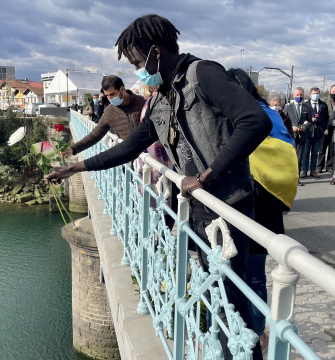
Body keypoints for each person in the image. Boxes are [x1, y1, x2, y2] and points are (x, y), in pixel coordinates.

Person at [47, 14, 272, 359]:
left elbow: (256, 121)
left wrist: (206, 175)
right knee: (217, 296)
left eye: (137, 61)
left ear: (155, 52)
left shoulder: (203, 74)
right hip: (197, 209)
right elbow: (130, 146)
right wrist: (76, 166)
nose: (137, 69)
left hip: (228, 204)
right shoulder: (163, 97)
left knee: (232, 302)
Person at [227, 68, 298, 353]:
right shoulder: (272, 114)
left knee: (240, 273)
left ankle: (249, 334)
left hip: (248, 199)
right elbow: (287, 152)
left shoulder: (241, 115)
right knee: (254, 273)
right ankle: (257, 335)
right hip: (268, 203)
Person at [62, 75, 146, 157]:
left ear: (122, 89)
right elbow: (96, 134)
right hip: (128, 157)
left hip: (149, 155)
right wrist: (74, 148)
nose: (110, 98)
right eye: (107, 95)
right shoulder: (110, 111)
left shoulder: (143, 102)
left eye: (112, 94)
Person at [283, 87, 314, 186]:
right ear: (293, 95)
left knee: (299, 158)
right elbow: (283, 121)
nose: (299, 97)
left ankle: (296, 178)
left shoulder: (307, 108)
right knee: (288, 158)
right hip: (290, 136)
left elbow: (310, 122)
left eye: (301, 95)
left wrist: (304, 127)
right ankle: (287, 178)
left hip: (302, 136)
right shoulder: (288, 107)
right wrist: (291, 127)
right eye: (297, 95)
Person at [302, 87, 329, 178]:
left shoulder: (323, 105)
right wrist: (309, 121)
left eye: (317, 93)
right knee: (305, 153)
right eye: (314, 93)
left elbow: (326, 118)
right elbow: (302, 118)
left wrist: (322, 127)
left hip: (318, 132)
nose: (315, 95)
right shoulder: (305, 105)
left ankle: (313, 170)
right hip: (307, 132)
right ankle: (304, 170)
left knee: (315, 153)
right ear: (310, 95)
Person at [317, 85, 335, 173]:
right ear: (329, 91)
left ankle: (329, 167)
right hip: (324, 128)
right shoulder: (323, 101)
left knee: (332, 150)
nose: (334, 93)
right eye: (333, 91)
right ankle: (319, 166)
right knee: (322, 149)